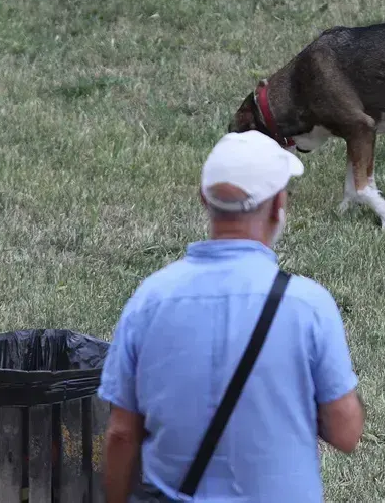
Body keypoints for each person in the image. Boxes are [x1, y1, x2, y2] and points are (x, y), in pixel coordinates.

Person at [98, 130, 365, 502]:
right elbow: (346, 433)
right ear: (277, 206)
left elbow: (122, 433)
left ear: (203, 200)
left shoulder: (150, 299)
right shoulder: (307, 306)